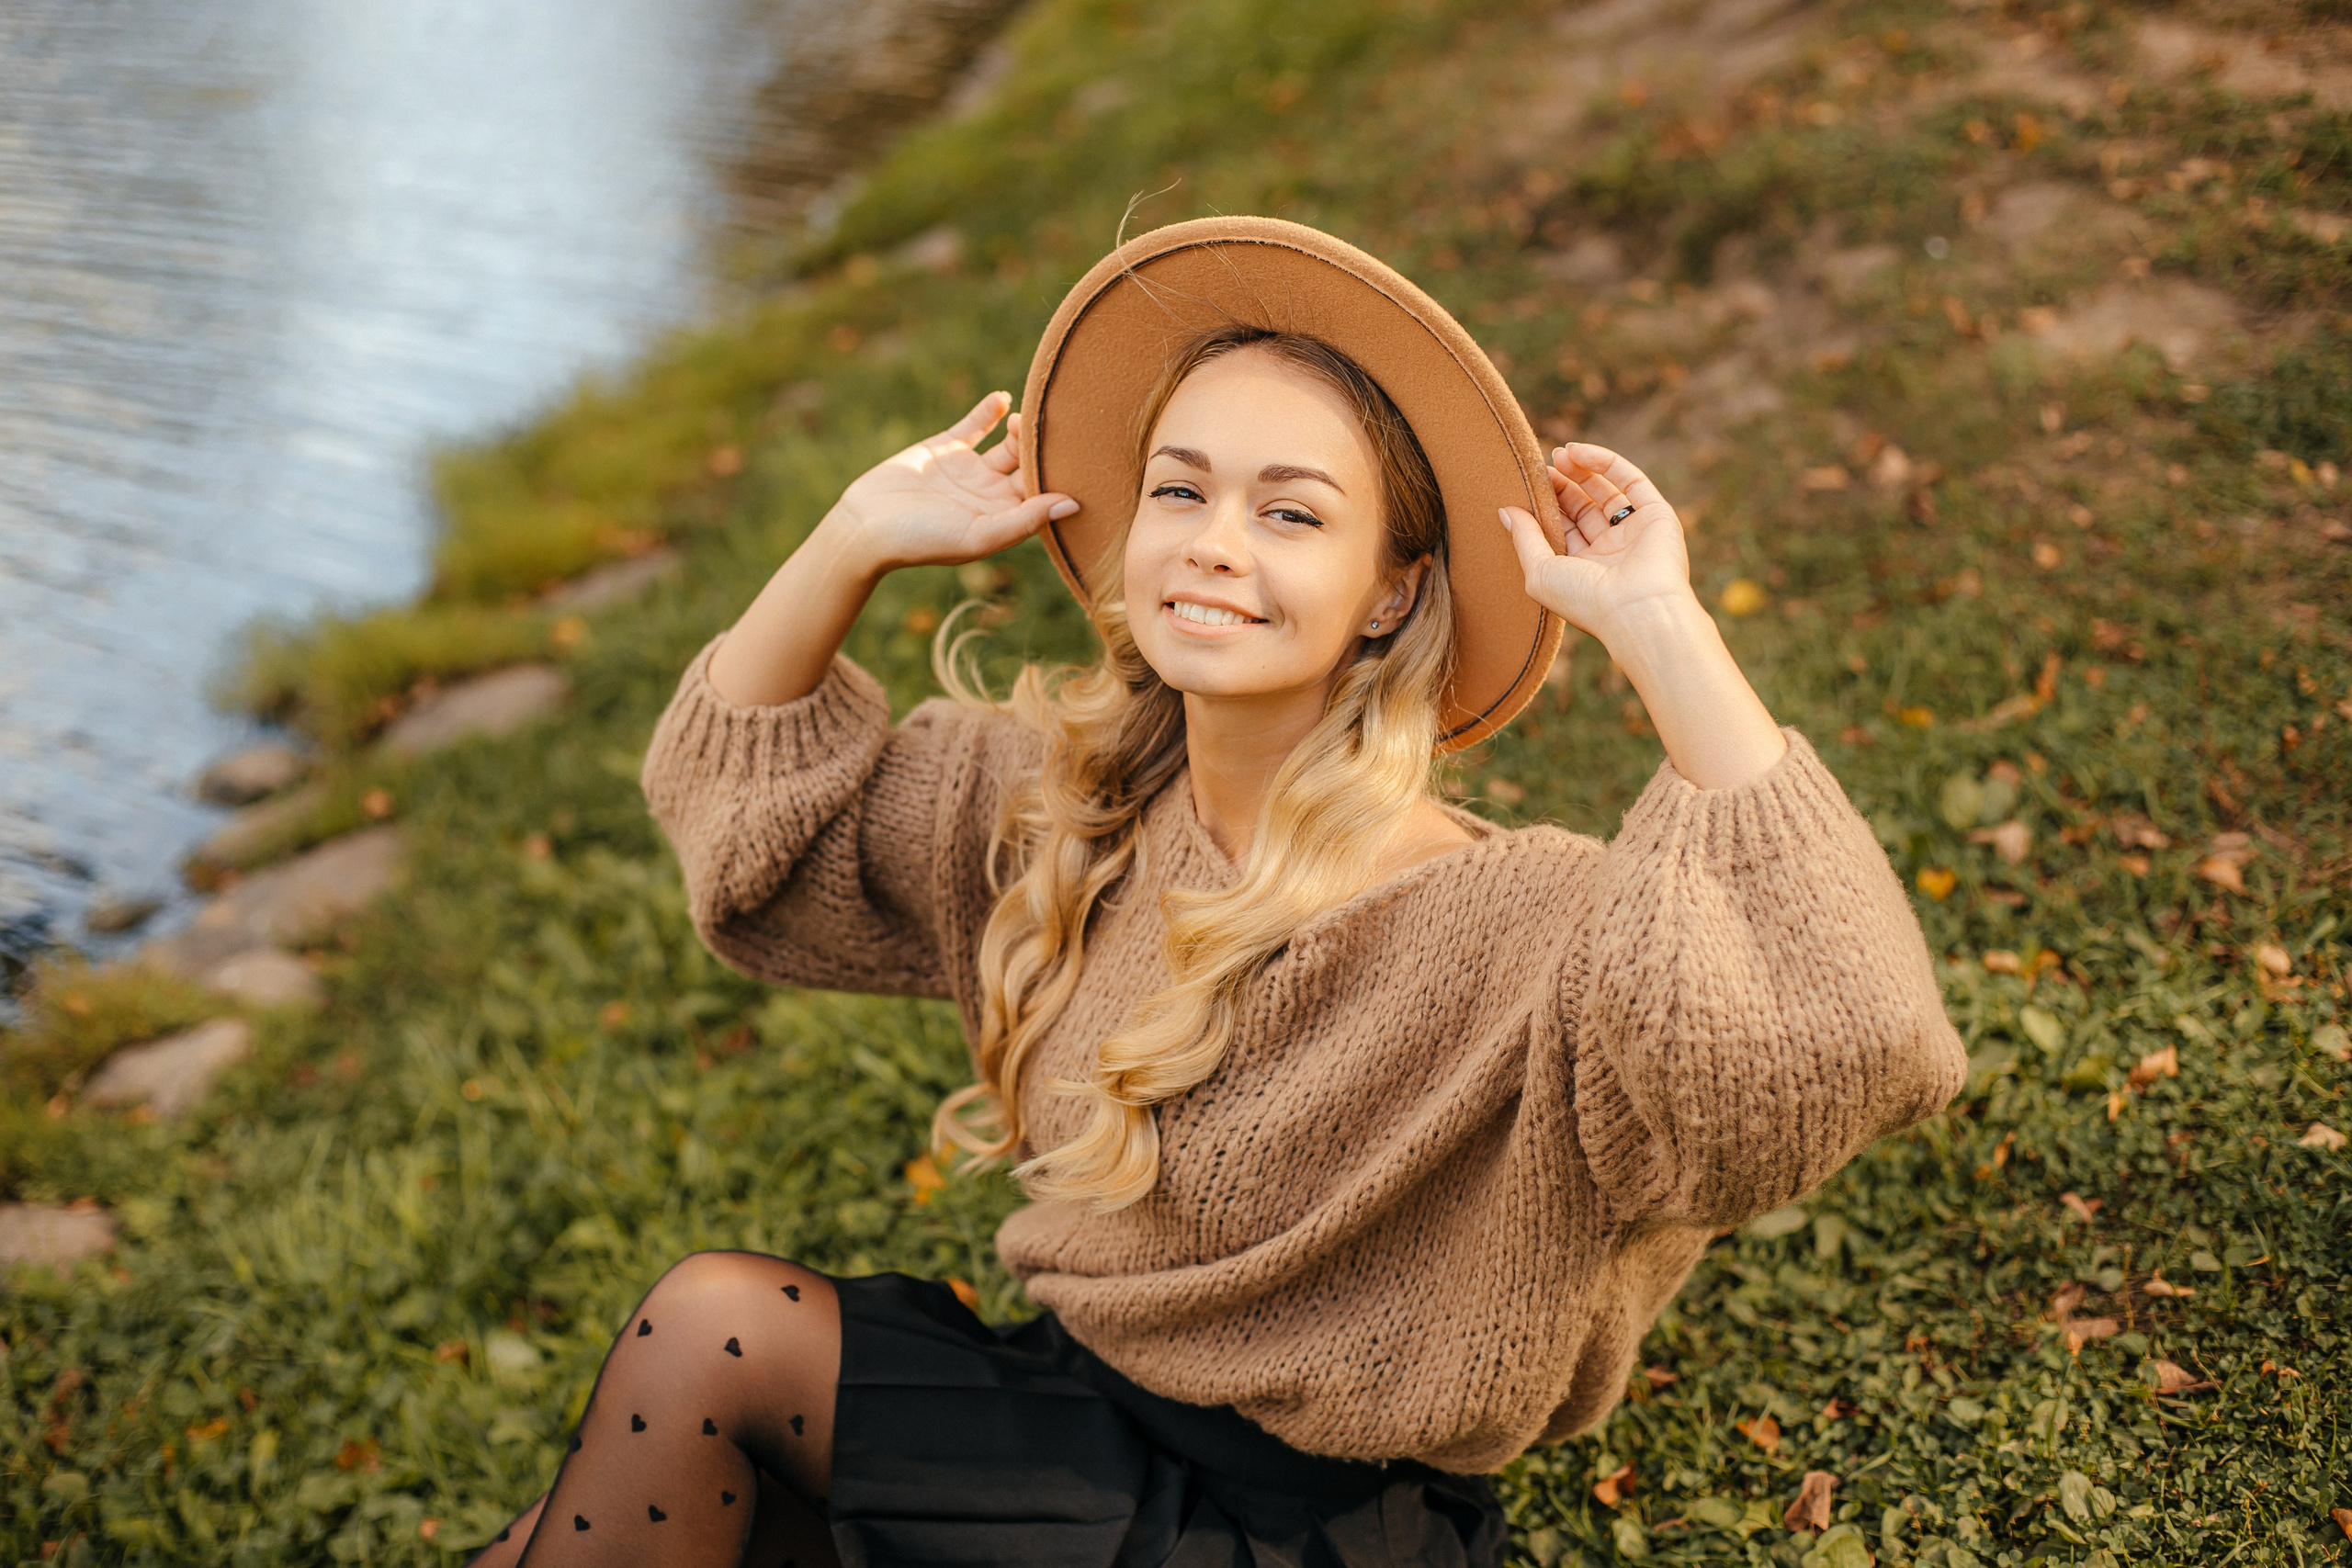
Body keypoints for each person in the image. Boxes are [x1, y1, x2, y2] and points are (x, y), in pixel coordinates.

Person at [465, 218, 1964, 1568]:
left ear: (1391, 590)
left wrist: (1662, 628)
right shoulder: (1073, 802)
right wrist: (848, 540)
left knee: (716, 1337)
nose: (1214, 545)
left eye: (1292, 514)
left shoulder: (1517, 923)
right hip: (1071, 1430)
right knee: (586, 1521)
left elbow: (1839, 1046)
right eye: (1180, 490)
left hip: (1297, 1532)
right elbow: (755, 838)